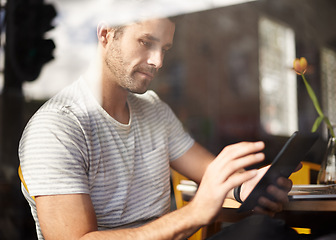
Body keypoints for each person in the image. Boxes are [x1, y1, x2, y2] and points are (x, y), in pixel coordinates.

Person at [19, 17, 297, 240]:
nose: (158, 61)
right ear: (105, 34)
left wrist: (247, 185)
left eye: (164, 48)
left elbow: (210, 174)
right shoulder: (56, 127)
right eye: (145, 42)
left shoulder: (153, 109)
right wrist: (195, 213)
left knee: (267, 230)